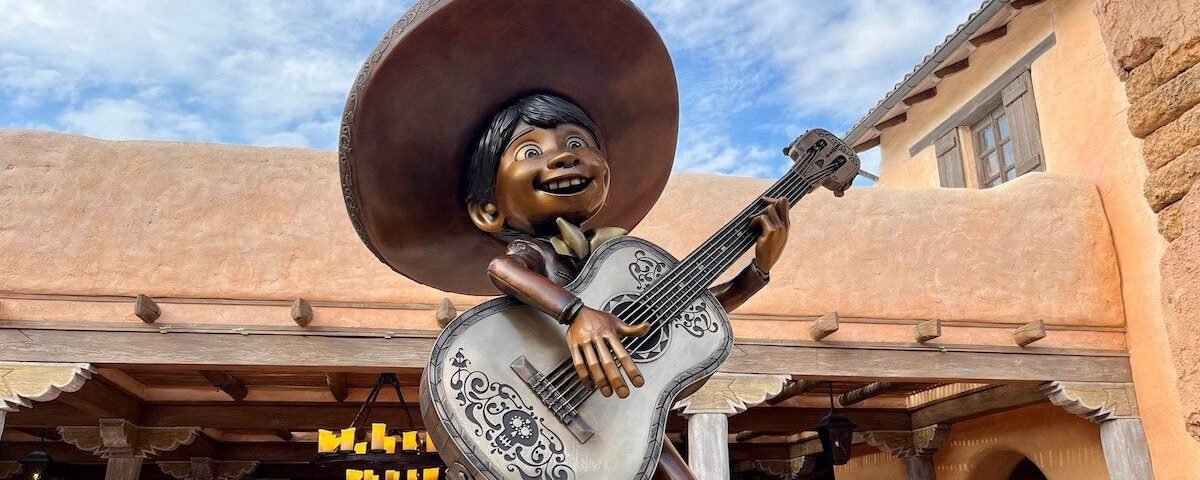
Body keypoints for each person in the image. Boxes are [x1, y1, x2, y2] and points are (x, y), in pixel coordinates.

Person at [338, 1, 788, 477]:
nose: (564, 158)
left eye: (578, 144)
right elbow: (503, 271)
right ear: (488, 210)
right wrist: (576, 314)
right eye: (530, 150)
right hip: (530, 384)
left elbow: (691, 314)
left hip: (617, 408)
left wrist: (757, 269)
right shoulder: (537, 254)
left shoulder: (614, 259)